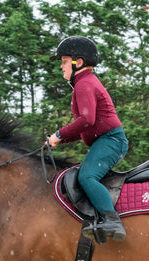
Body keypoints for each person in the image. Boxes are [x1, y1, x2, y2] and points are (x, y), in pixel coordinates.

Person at [48, 36, 129, 242]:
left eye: (64, 61)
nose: (62, 66)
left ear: (79, 62)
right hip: (107, 140)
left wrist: (59, 134)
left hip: (111, 141)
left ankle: (112, 220)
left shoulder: (84, 84)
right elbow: (87, 126)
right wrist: (60, 140)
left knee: (86, 177)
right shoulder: (83, 84)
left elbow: (86, 119)